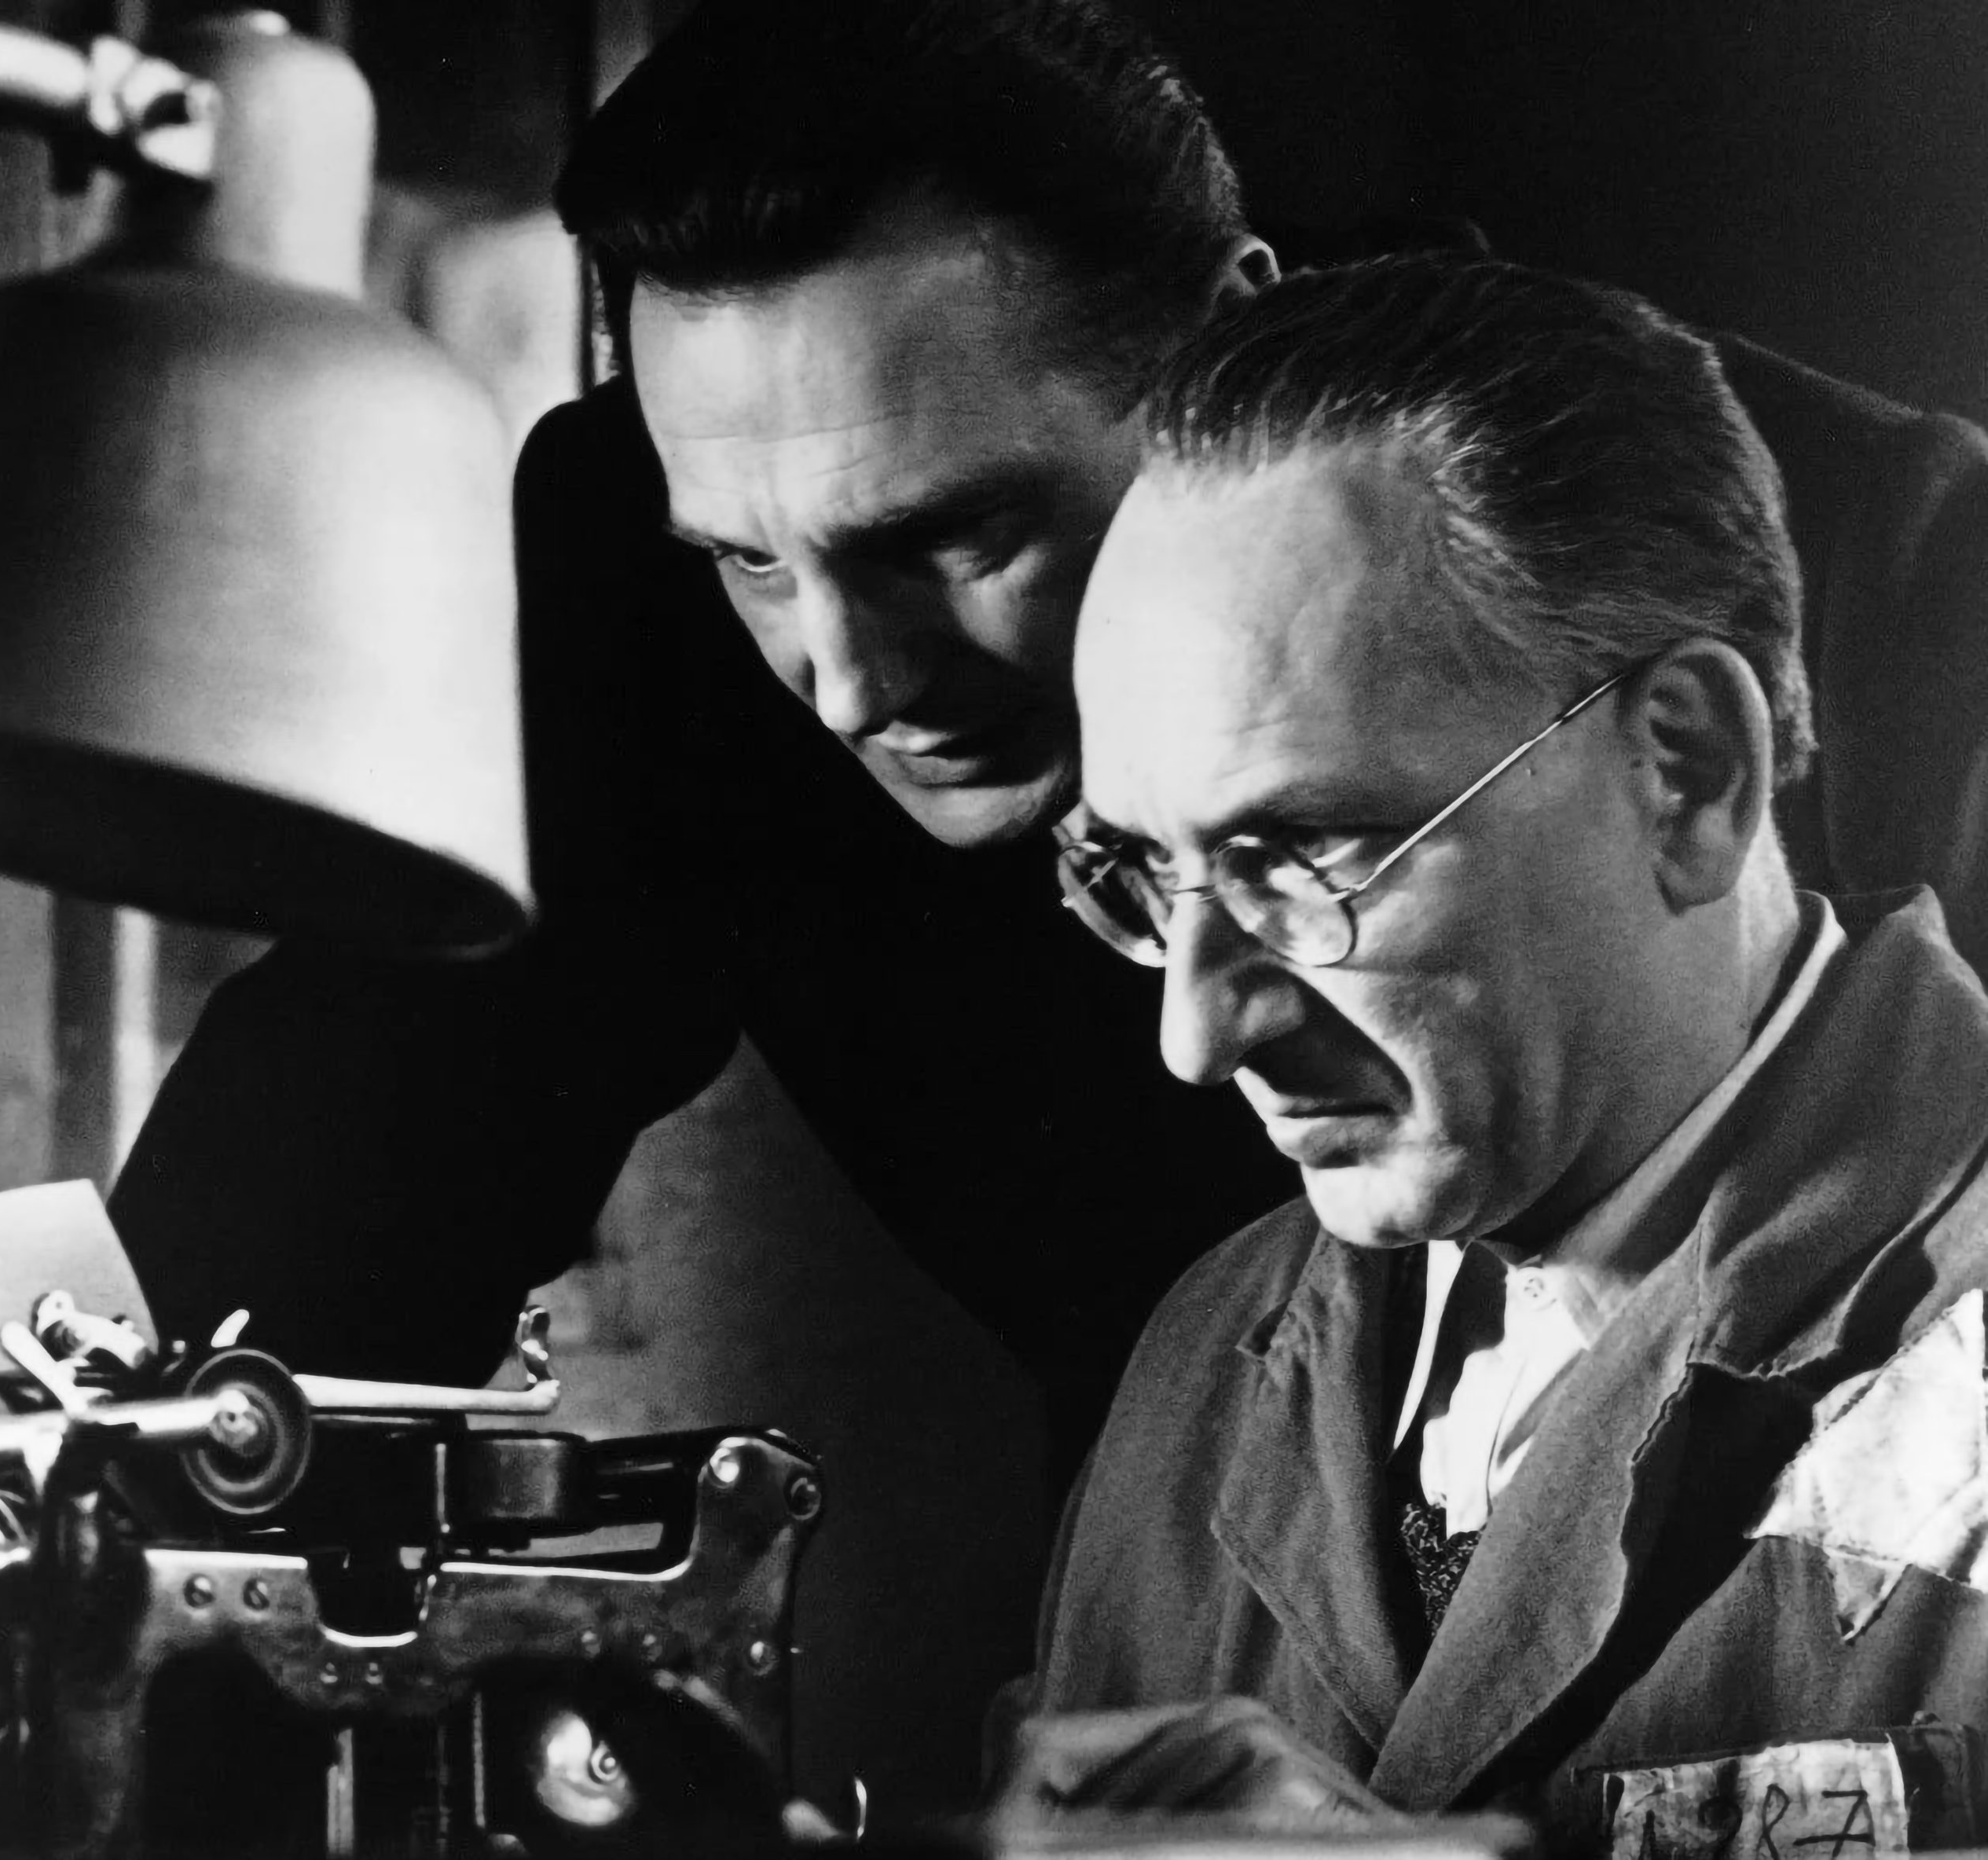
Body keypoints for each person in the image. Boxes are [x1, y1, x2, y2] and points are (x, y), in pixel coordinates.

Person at [110, 0, 1988, 1498]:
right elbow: (327, 1189)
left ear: (1232, 337)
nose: (848, 683)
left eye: (960, 534)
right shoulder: (658, 580)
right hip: (1173, 1596)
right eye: (751, 562)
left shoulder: (1884, 571)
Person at [992, 255, 1988, 1851]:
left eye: (1300, 855)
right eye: (1139, 874)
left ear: (1684, 772)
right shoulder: (1207, 1357)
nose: (1195, 1031)